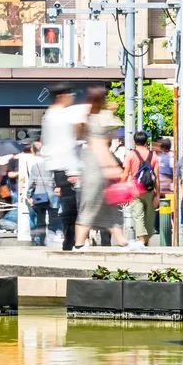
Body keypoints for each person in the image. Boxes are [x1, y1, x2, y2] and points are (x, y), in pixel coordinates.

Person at [72, 85, 124, 250]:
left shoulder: (89, 116)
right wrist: (111, 166)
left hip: (92, 163)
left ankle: (122, 241)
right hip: (97, 165)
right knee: (92, 203)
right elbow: (100, 146)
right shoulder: (97, 119)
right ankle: (79, 244)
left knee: (108, 204)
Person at [40, 85, 84, 251]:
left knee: (68, 204)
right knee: (70, 205)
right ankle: (70, 240)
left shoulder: (48, 115)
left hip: (57, 166)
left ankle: (70, 239)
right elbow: (67, 144)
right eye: (70, 93)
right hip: (67, 167)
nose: (72, 96)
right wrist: (72, 171)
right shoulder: (62, 116)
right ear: (62, 96)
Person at [121, 130, 160, 248]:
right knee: (149, 217)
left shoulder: (131, 155)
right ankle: (145, 240)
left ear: (134, 141)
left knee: (138, 216)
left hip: (135, 191)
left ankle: (142, 241)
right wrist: (158, 195)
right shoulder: (153, 155)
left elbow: (125, 174)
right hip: (150, 190)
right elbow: (157, 177)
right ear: (146, 141)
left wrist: (122, 190)